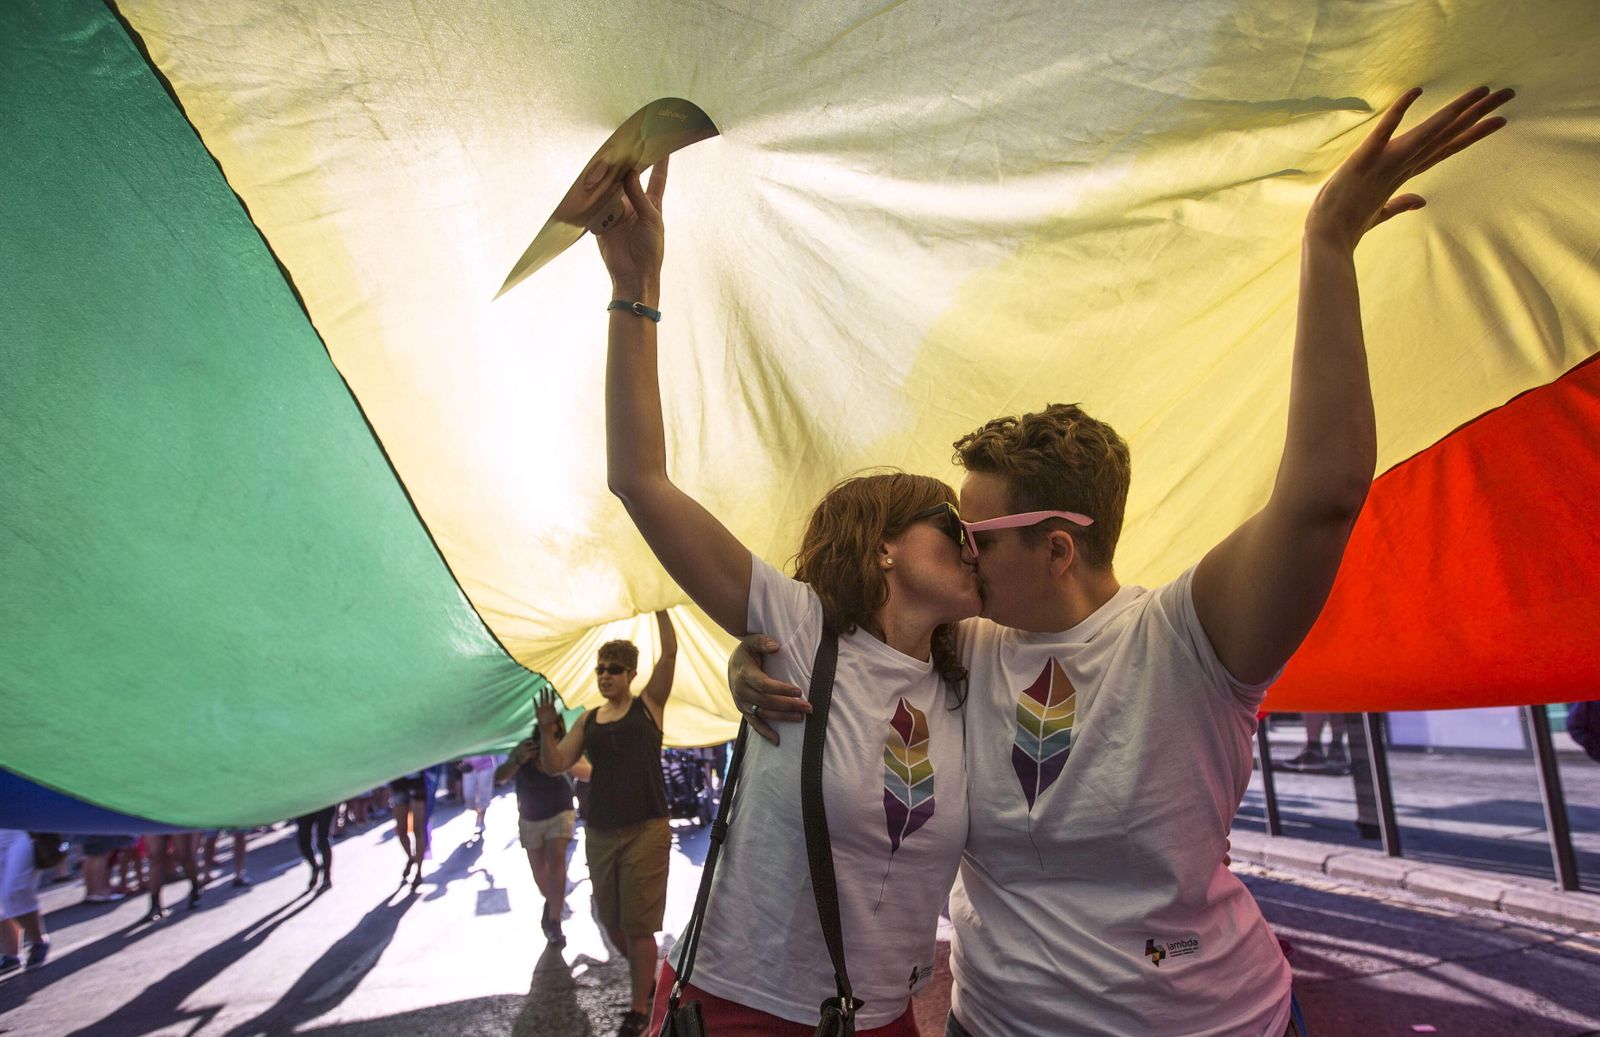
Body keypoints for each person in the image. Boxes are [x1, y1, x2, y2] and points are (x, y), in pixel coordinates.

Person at [731, 87, 1515, 1037]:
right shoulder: (960, 647)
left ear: (1058, 546)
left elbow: (1323, 496)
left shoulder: (1187, 636)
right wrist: (757, 662)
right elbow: (843, 653)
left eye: (975, 540)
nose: (958, 557)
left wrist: (1328, 247)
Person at [566, 154, 982, 1037]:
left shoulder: (977, 664)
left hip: (884, 1019)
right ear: (883, 548)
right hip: (746, 1005)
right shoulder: (794, 625)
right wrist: (637, 285)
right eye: (950, 523)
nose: (972, 541)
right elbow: (640, 479)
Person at [537, 612, 684, 1037]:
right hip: (600, 832)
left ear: (631, 674)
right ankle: (648, 981)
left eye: (613, 669)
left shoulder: (648, 706)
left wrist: (660, 606)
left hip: (647, 830)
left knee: (638, 926)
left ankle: (640, 1009)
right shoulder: (587, 720)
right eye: (600, 669)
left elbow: (670, 653)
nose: (604, 676)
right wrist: (548, 732)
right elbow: (556, 764)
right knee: (612, 922)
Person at [497, 698, 592, 948]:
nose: (552, 732)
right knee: (539, 871)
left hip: (560, 811)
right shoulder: (525, 747)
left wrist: (565, 757)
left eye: (557, 729)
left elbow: (588, 772)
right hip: (530, 816)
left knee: (557, 861)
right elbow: (499, 777)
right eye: (547, 728)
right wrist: (518, 760)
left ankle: (553, 920)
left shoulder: (564, 748)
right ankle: (552, 903)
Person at [0, 830, 49, 973]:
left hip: (19, 832)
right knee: (1, 896)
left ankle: (38, 941)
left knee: (14, 890)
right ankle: (12, 954)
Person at [389, 769, 434, 892]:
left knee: (418, 829)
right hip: (399, 782)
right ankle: (411, 857)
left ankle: (419, 872)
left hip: (417, 782)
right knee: (401, 830)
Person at [144, 832, 202, 921]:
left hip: (174, 819)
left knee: (183, 855)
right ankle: (155, 904)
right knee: (156, 857)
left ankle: (195, 888)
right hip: (154, 820)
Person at [458, 752, 502, 837]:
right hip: (468, 766)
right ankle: (478, 812)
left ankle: (481, 819)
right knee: (468, 796)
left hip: (486, 765)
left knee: (484, 795)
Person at [296, 805, 337, 892]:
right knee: (303, 841)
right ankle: (315, 867)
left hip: (324, 803)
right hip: (304, 805)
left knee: (323, 839)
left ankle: (327, 877)